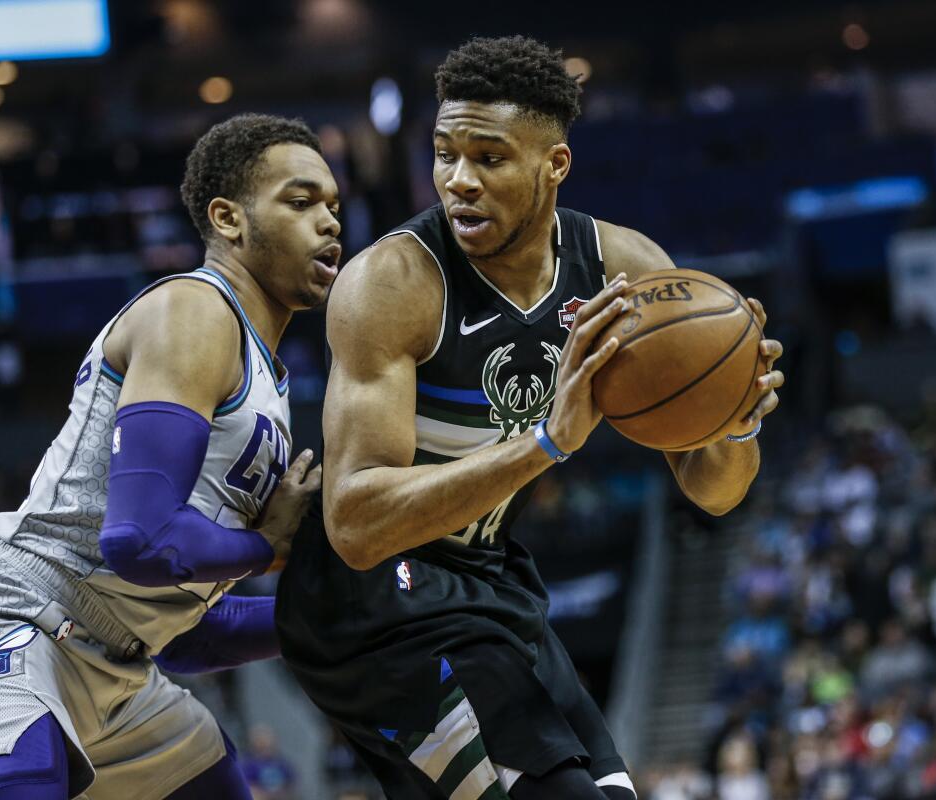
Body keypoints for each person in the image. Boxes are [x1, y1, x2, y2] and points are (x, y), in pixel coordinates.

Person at [278, 36, 784, 800]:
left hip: (488, 584)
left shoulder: (624, 273)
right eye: (446, 153)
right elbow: (354, 525)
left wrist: (733, 418)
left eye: (490, 158)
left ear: (555, 166)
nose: (459, 181)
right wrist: (547, 443)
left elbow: (715, 491)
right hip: (372, 602)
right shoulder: (391, 284)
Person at [0, 113, 340, 799]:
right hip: (11, 617)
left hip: (117, 667)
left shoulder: (266, 383)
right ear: (228, 219)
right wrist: (264, 548)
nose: (329, 222)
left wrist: (331, 612)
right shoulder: (195, 311)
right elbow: (140, 539)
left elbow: (189, 634)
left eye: (334, 205)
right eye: (300, 201)